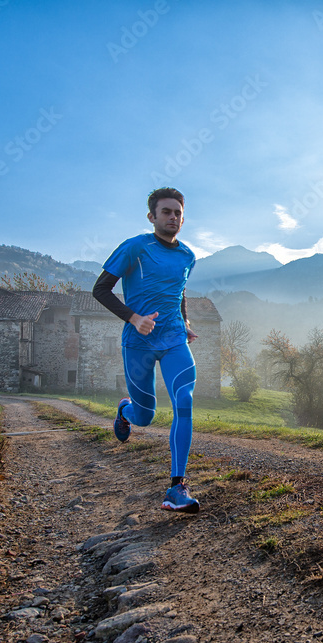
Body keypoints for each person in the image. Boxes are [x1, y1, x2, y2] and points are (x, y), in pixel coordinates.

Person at [92, 187, 200, 514]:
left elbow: (177, 291)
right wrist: (134, 318)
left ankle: (176, 488)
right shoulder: (135, 248)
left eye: (178, 213)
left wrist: (185, 322)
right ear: (152, 217)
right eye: (166, 212)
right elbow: (100, 289)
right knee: (145, 416)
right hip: (138, 343)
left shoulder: (187, 256)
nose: (172, 218)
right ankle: (125, 411)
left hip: (174, 341)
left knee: (184, 400)